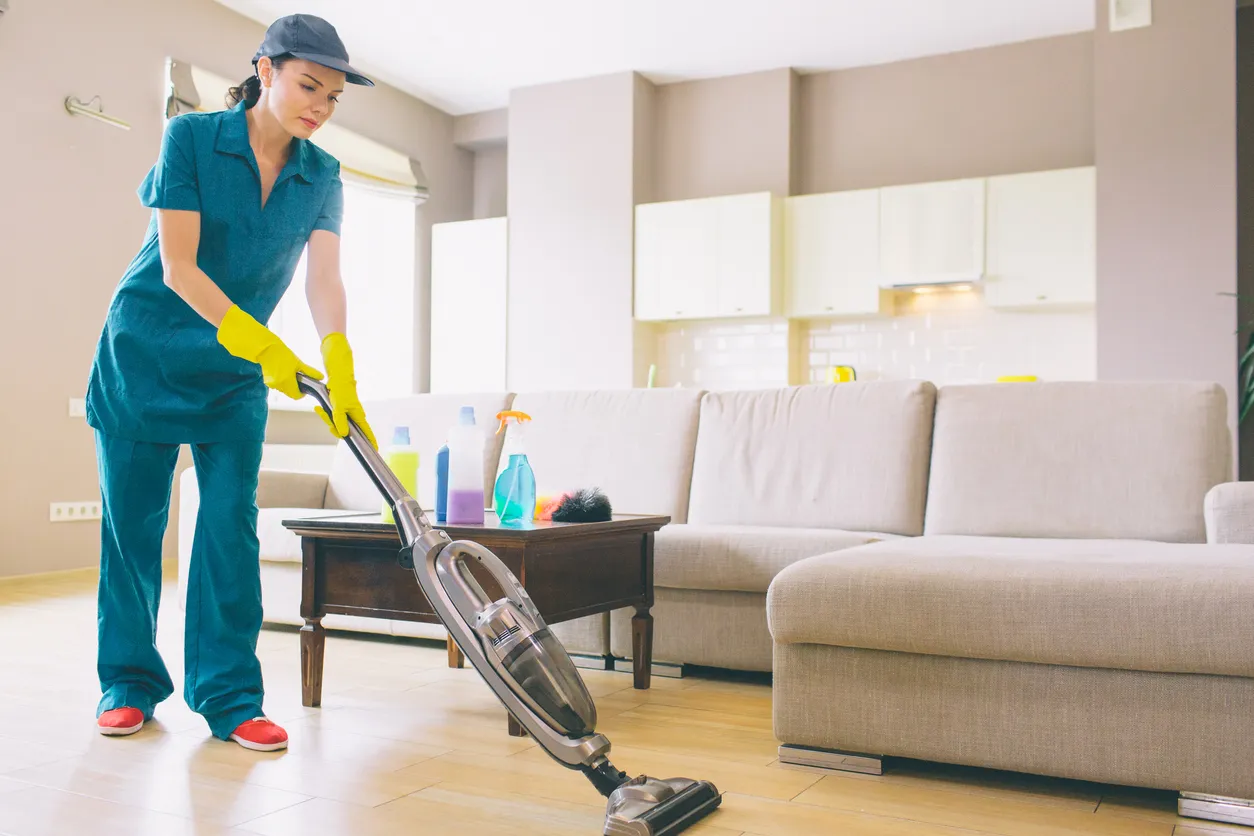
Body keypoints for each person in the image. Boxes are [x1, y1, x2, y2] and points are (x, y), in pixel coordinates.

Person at [83, 14, 378, 752]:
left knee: (227, 533)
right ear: (266, 69)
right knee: (134, 530)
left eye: (334, 96)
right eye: (309, 85)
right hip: (144, 353)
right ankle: (127, 683)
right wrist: (263, 342)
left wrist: (337, 359)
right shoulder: (191, 139)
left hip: (233, 377)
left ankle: (231, 697)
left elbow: (325, 279)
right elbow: (179, 266)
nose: (320, 105)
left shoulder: (323, 173)